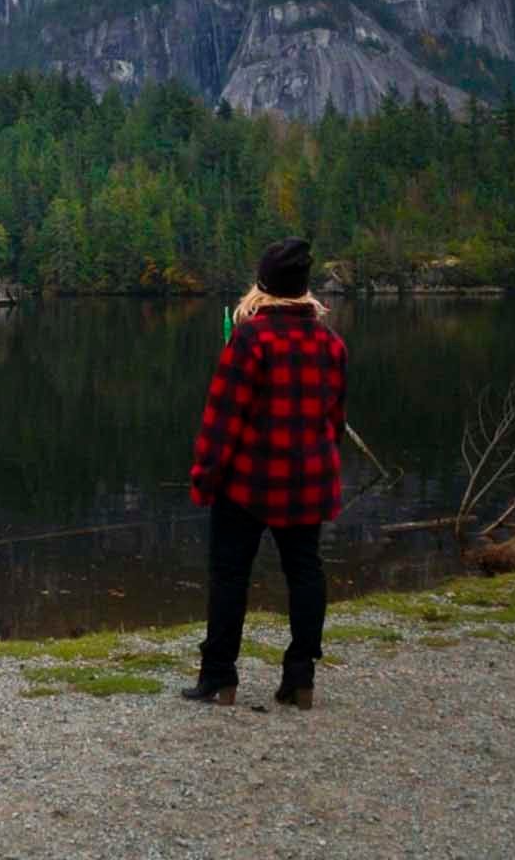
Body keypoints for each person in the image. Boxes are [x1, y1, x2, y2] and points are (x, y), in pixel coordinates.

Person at [182, 238, 346, 710]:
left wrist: (204, 477)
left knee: (230, 575)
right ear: (303, 288)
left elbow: (222, 419)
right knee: (305, 572)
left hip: (248, 484)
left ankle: (218, 678)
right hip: (309, 482)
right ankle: (300, 679)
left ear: (264, 285)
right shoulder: (331, 343)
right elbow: (333, 422)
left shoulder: (250, 338)